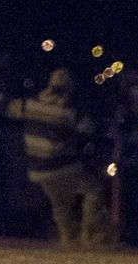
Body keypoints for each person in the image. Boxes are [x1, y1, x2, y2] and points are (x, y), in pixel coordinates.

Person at [6, 69, 115, 248]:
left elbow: (4, 106)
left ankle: (68, 238)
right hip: (62, 165)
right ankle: (91, 234)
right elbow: (92, 129)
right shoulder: (70, 112)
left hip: (37, 169)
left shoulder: (29, 105)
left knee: (60, 203)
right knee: (93, 190)